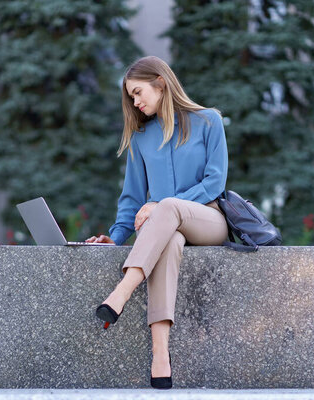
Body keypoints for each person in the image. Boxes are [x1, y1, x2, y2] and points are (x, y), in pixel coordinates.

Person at [85, 55, 229, 389]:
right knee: (169, 241)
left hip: (208, 219)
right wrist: (116, 238)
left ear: (160, 83)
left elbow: (214, 182)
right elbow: (132, 198)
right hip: (167, 232)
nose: (135, 102)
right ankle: (160, 358)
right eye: (131, 97)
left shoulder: (208, 121)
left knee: (165, 209)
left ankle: (120, 293)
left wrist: (163, 206)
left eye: (138, 93)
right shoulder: (141, 137)